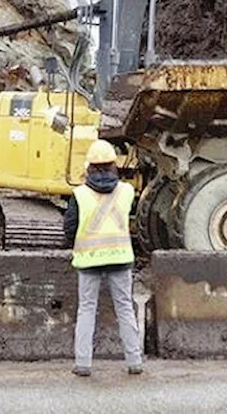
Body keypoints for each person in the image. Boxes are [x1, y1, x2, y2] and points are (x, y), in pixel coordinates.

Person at [64, 138, 143, 377]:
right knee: (125, 309)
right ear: (113, 165)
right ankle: (135, 361)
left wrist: (76, 246)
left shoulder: (79, 195)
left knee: (87, 310)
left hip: (88, 261)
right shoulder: (127, 192)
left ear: (88, 166)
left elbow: (69, 228)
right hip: (120, 258)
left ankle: (83, 363)